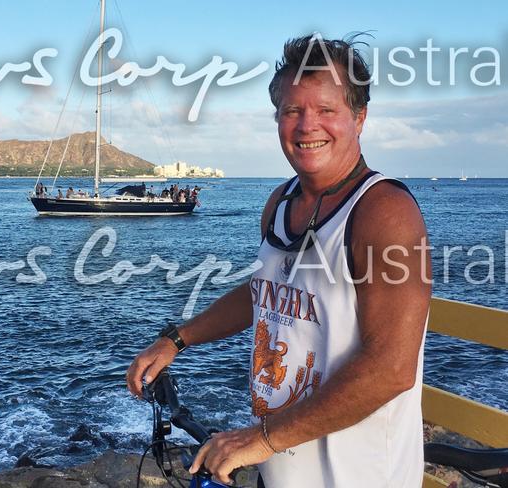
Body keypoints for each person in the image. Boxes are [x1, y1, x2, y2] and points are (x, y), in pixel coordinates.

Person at [127, 34, 431, 488]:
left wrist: (259, 440)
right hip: (283, 470)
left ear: (359, 117)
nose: (308, 126)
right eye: (292, 110)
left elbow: (390, 369)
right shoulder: (281, 201)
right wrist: (177, 338)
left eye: (327, 110)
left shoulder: (383, 212)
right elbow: (264, 292)